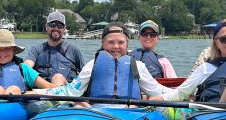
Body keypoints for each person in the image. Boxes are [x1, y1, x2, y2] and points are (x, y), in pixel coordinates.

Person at [31, 22, 173, 100]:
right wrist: (35, 93)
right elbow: (70, 91)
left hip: (130, 114)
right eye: (111, 42)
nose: (116, 46)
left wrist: (180, 93)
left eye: (121, 42)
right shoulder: (92, 65)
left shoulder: (138, 67)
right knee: (79, 104)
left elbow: (159, 91)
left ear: (127, 43)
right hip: (98, 114)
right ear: (103, 44)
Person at [24, 11, 85, 86]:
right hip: (40, 90)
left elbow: (85, 75)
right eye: (52, 25)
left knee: (58, 78)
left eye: (60, 26)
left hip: (65, 90)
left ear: (64, 29)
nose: (56, 28)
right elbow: (26, 67)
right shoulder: (36, 49)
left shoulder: (74, 51)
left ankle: (54, 90)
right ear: (46, 27)